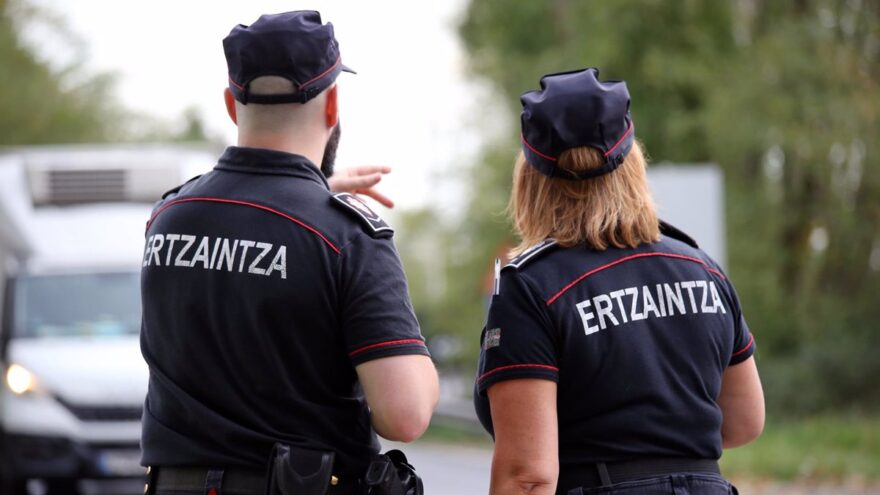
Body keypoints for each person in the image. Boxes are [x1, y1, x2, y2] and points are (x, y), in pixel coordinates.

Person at [140, 11, 439, 495]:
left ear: (232, 105)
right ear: (332, 104)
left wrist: (305, 200)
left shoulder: (168, 217)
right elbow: (405, 415)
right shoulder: (348, 236)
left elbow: (245, 230)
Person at [473, 68, 764, 495]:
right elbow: (744, 421)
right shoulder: (703, 269)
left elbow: (528, 477)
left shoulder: (532, 287)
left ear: (529, 180)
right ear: (632, 166)